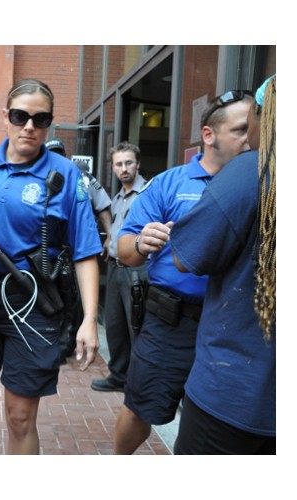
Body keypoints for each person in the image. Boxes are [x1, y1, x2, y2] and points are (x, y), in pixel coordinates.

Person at [0, 78, 102, 454]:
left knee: (20, 415)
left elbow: (85, 251)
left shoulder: (66, 176)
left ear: (49, 122)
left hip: (33, 304)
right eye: (20, 116)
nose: (29, 127)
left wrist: (89, 320)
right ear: (6, 116)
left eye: (40, 119)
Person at [111, 89, 253, 454]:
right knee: (140, 410)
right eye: (240, 130)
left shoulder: (260, 186)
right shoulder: (169, 183)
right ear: (209, 135)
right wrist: (142, 242)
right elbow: (123, 250)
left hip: (232, 327)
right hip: (172, 323)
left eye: (254, 129)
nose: (250, 139)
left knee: (213, 424)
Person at [170, 76, 276, 454]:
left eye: (252, 123)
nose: (248, 138)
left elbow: (186, 256)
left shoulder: (253, 170)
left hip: (238, 392)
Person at [46, 138, 112, 360]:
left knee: (73, 301)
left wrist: (110, 235)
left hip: (78, 252)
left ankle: (69, 344)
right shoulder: (41, 177)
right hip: (52, 256)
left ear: (65, 154)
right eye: (51, 152)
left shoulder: (82, 177)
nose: (56, 156)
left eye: (59, 152)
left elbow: (103, 207)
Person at [91, 141, 147, 392]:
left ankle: (138, 381)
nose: (124, 168)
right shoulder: (117, 198)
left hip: (136, 271)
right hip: (114, 267)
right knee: (114, 325)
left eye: (128, 163)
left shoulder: (147, 194)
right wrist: (109, 242)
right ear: (113, 168)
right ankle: (118, 375)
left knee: (137, 326)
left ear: (138, 164)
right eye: (119, 164)